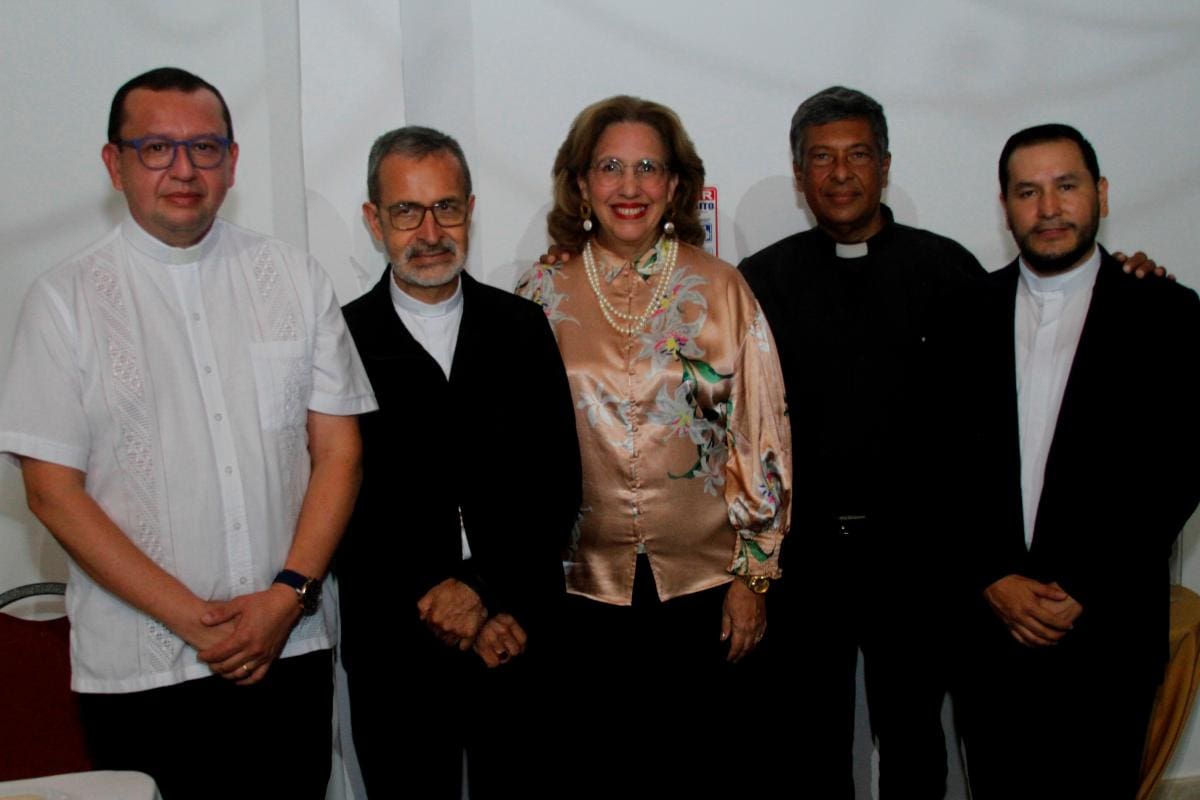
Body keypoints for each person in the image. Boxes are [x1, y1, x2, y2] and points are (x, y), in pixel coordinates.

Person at [0, 68, 376, 798]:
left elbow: (340, 453)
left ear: (232, 162)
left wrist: (285, 596)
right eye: (156, 149)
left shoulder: (294, 279)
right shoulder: (63, 300)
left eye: (204, 148)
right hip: (139, 669)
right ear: (115, 164)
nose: (183, 169)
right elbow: (51, 493)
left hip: (287, 649)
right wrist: (195, 622)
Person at [516, 95, 791, 793]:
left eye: (648, 168)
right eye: (610, 167)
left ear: (676, 185)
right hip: (578, 595)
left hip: (704, 592)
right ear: (580, 184)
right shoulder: (539, 294)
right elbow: (513, 452)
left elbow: (759, 436)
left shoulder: (724, 290)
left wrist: (754, 576)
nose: (629, 186)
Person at [737, 86, 984, 799]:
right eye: (821, 158)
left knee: (912, 739)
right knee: (810, 741)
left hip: (918, 559)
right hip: (805, 561)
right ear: (799, 173)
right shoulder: (763, 281)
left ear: (883, 164)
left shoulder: (949, 272)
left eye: (856, 156)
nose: (839, 174)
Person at [953, 124, 1199, 800]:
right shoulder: (960, 315)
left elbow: (1176, 470)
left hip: (1107, 634)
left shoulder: (1168, 314)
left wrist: (1084, 585)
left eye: (1067, 186)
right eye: (1028, 192)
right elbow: (935, 467)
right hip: (988, 633)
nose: (1050, 208)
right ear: (1005, 206)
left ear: (1102, 194)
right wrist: (991, 578)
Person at [337, 126, 581, 799]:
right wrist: (441, 601)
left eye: (446, 207)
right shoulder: (341, 340)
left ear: (470, 210)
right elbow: (341, 504)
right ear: (373, 220)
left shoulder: (521, 328)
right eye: (405, 211)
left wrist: (484, 593)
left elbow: (557, 484)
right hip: (395, 647)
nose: (429, 230)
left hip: (517, 631)